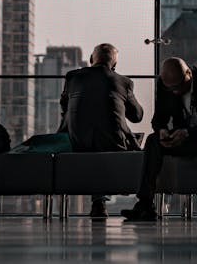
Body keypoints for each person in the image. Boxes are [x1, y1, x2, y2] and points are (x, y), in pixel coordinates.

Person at [122, 58, 197, 222]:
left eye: (178, 86)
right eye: (170, 88)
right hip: (188, 135)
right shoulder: (165, 84)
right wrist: (162, 130)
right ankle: (145, 204)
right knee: (153, 141)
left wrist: (187, 133)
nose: (175, 91)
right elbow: (158, 119)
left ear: (188, 73)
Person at [59, 43, 144, 219]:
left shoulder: (73, 77)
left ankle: (98, 202)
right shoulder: (123, 81)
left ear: (91, 60)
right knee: (117, 137)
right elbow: (137, 116)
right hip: (113, 145)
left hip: (77, 143)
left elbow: (65, 107)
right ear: (114, 65)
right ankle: (138, 202)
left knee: (96, 136)